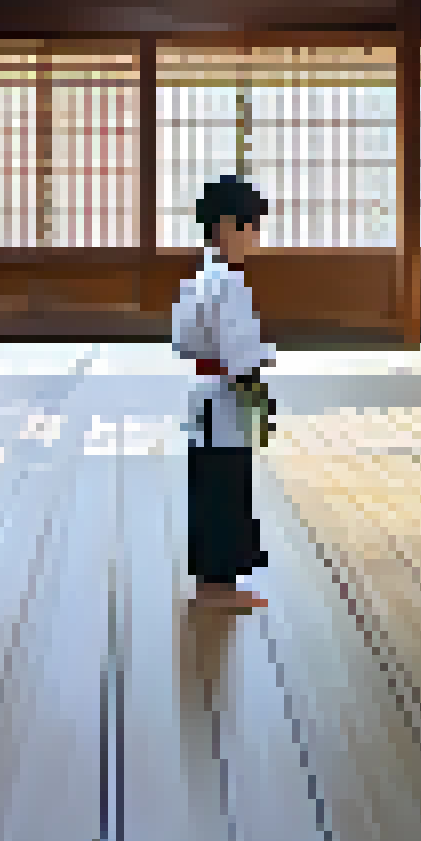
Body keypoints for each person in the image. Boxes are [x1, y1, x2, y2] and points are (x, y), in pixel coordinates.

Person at [171, 175, 276, 611]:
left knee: (213, 484)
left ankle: (218, 581)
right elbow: (238, 352)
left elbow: (181, 339)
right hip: (226, 395)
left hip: (203, 393)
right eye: (251, 227)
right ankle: (217, 587)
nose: (255, 237)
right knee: (225, 487)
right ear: (228, 227)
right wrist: (259, 403)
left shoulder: (200, 277)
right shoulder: (228, 283)